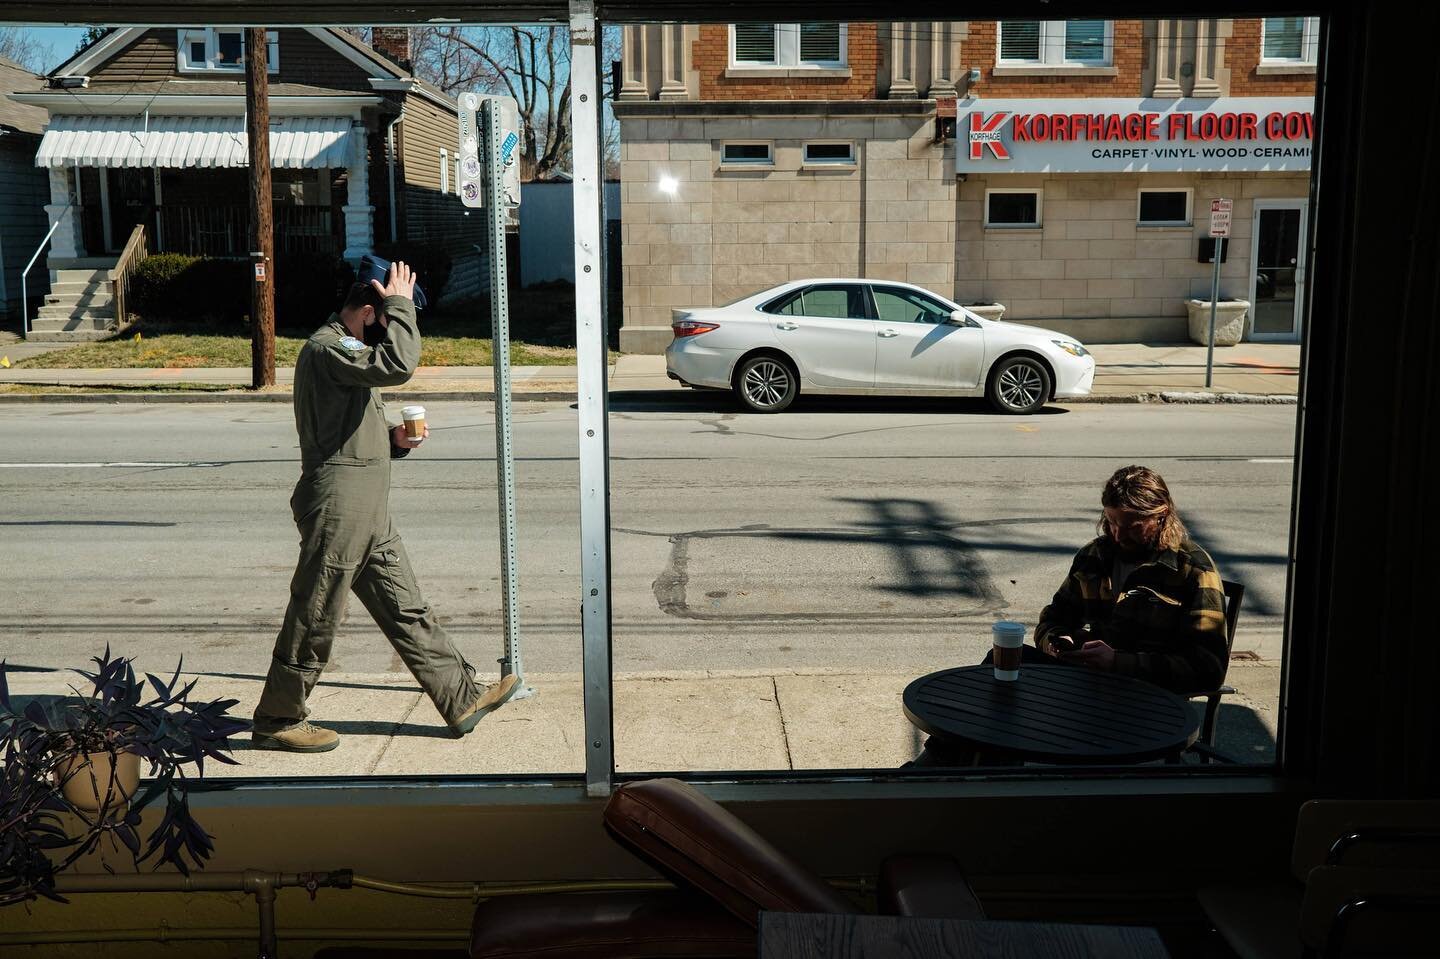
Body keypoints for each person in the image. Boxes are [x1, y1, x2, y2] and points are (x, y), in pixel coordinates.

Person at [252, 257, 517, 753]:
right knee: (316, 610)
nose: (394, 327)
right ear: (371, 313)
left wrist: (393, 439)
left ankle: (459, 698)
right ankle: (278, 717)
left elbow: (349, 424)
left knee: (405, 605)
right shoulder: (326, 346)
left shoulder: (347, 348)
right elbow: (397, 365)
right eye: (391, 318)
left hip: (367, 502)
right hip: (341, 504)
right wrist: (400, 304)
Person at [910, 465, 1226, 767]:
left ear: (1161, 517)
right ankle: (944, 769)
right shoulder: (1095, 555)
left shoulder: (1191, 569)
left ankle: (983, 779)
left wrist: (1118, 662)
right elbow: (1053, 616)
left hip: (1142, 696)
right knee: (999, 667)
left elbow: (1207, 668)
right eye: (1112, 522)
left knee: (1007, 716)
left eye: (1132, 526)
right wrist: (1055, 640)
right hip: (1083, 684)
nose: (1118, 535)